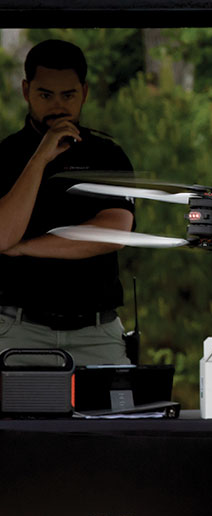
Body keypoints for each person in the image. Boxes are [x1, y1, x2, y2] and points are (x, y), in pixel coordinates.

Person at [0, 39, 135, 366]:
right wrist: (40, 158)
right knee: (16, 418)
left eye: (68, 95)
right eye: (45, 95)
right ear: (26, 90)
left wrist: (25, 246)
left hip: (97, 330)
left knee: (117, 416)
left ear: (84, 92)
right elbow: (2, 236)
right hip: (20, 328)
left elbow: (114, 232)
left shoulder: (108, 154)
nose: (57, 106)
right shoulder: (5, 156)